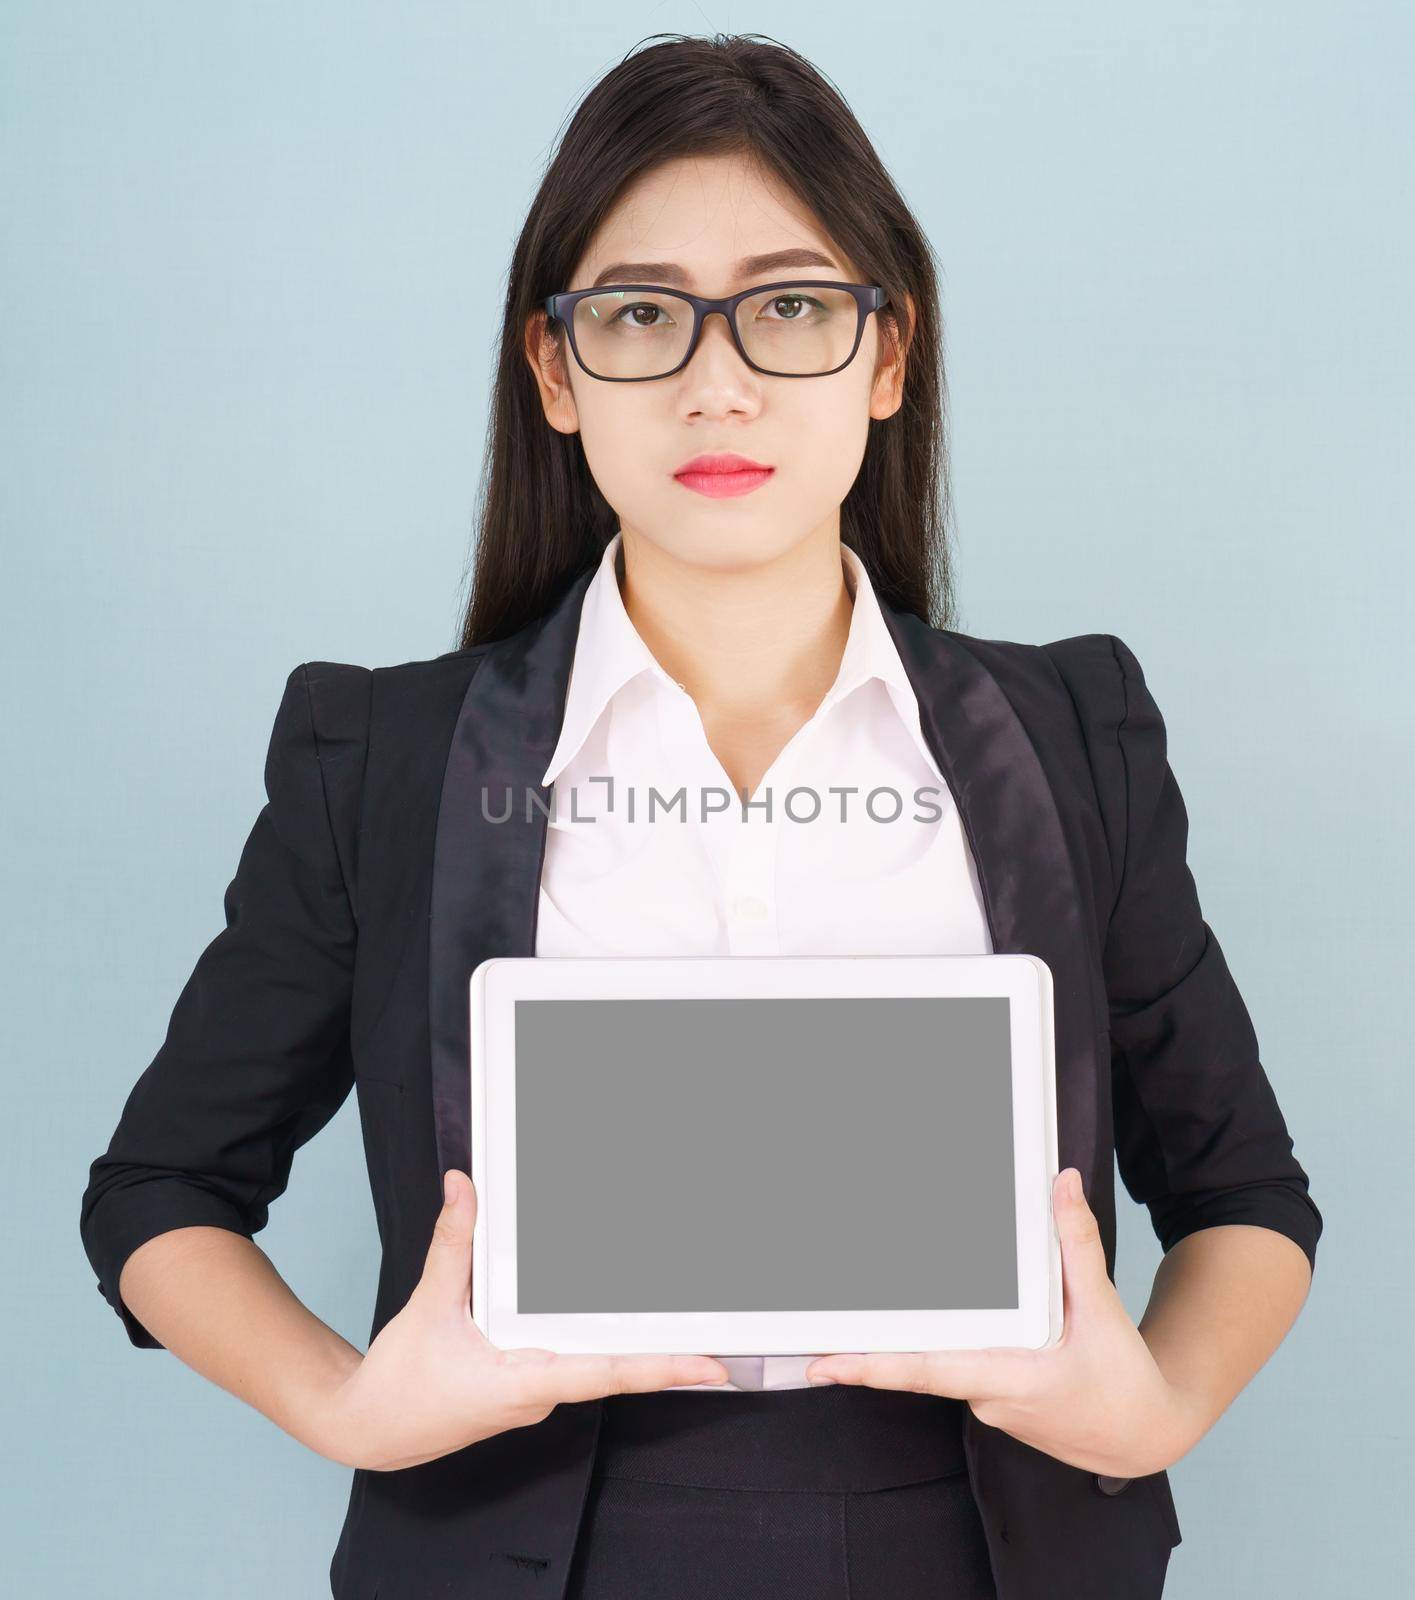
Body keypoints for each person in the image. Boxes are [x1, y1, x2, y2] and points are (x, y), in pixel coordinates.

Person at [79, 32, 1322, 1600]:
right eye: (642, 314)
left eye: (791, 306)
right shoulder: (381, 755)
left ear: (886, 359)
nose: (716, 378)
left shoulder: (1071, 732)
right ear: (555, 370)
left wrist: (1156, 1407)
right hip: (531, 1552)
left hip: (991, 1547)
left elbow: (1242, 1193)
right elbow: (159, 1190)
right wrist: (349, 1411)